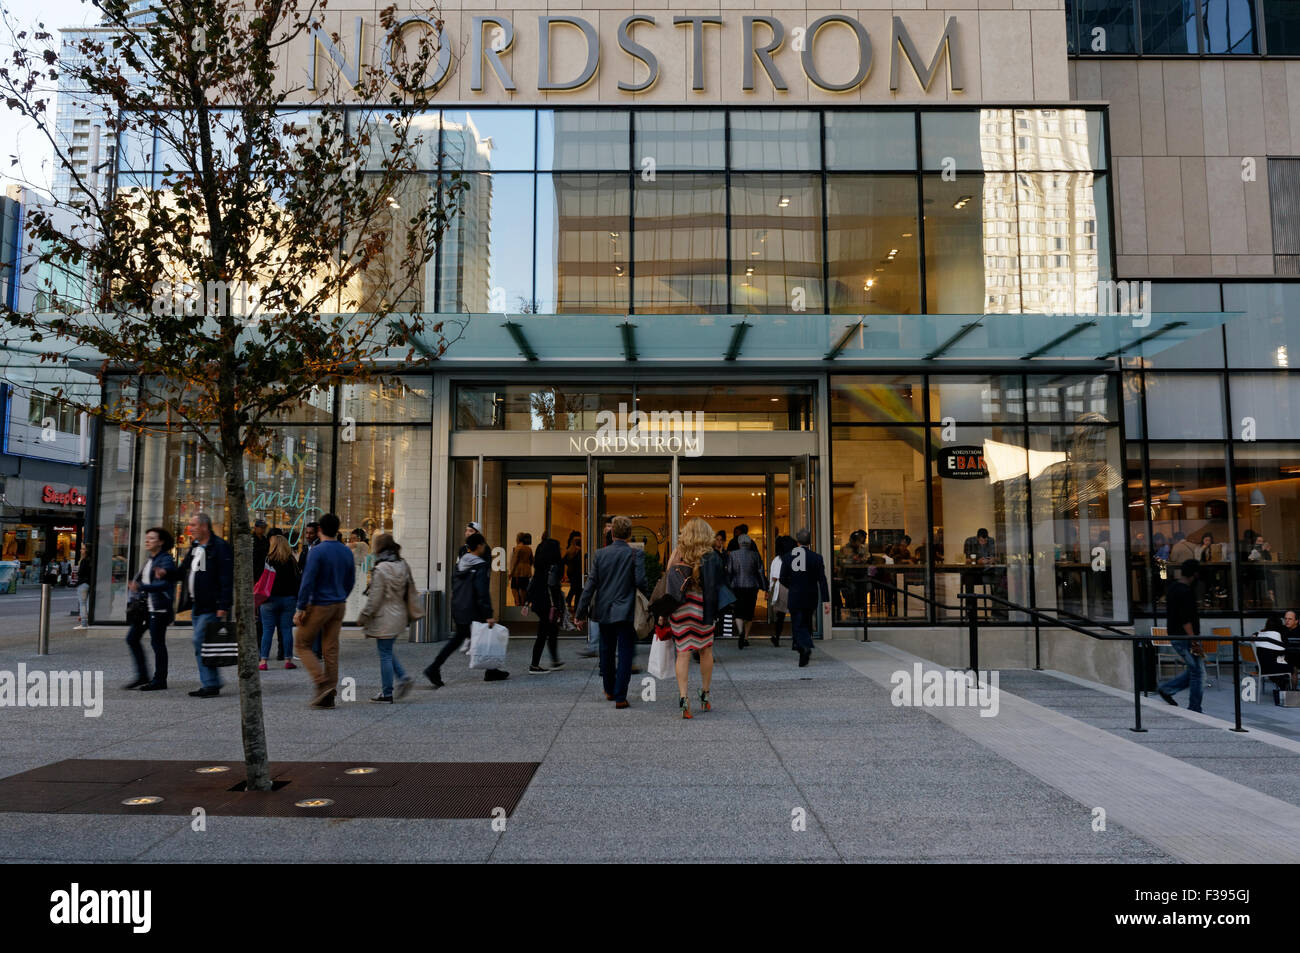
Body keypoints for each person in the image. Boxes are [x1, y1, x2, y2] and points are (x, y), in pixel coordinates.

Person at [576, 515, 649, 709]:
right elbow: (641, 582)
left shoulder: (600, 554)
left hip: (604, 610)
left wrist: (580, 613)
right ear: (629, 534)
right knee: (625, 653)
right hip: (625, 611)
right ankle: (620, 697)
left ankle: (608, 689)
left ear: (612, 533)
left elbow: (590, 585)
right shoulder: (636, 554)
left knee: (606, 651)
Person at [425, 532, 507, 686]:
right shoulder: (480, 565)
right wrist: (488, 614)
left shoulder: (461, 563)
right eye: (483, 544)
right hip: (473, 608)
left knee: (461, 638)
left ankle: (491, 670)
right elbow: (482, 591)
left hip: (459, 605)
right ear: (479, 546)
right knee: (486, 635)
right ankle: (434, 668)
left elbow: (454, 584)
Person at [663, 518, 726, 719]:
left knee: (683, 652)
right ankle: (705, 695)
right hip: (702, 607)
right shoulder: (711, 555)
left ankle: (684, 698)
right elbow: (718, 585)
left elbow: (668, 580)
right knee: (706, 650)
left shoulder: (678, 552)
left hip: (680, 608)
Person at [293, 513, 355, 709]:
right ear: (337, 530)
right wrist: (341, 594)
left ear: (319, 529)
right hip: (339, 604)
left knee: (302, 644)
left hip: (320, 604)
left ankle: (321, 681)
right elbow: (350, 579)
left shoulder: (317, 551)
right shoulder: (346, 551)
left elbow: (308, 581)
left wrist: (301, 607)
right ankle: (328, 694)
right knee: (330, 649)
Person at [170, 512, 233, 698]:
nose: (190, 528)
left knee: (199, 640)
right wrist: (166, 573)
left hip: (211, 605)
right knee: (203, 644)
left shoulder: (219, 547)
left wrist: (223, 604)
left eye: (194, 525)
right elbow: (187, 571)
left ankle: (211, 683)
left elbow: (225, 577)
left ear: (205, 527)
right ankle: (211, 683)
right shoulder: (197, 547)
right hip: (198, 604)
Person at [356, 533, 416, 702]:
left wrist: (364, 615)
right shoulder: (402, 564)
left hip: (385, 616)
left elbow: (375, 598)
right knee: (387, 651)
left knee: (385, 654)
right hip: (399, 614)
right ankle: (403, 678)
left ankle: (388, 691)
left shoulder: (381, 568)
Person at [124, 527, 176, 691]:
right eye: (147, 538)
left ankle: (160, 679)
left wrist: (141, 587)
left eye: (152, 538)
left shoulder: (165, 559)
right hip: (146, 608)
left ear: (161, 542)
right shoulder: (150, 560)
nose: (147, 540)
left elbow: (165, 583)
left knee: (157, 643)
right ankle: (142, 676)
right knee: (132, 638)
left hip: (159, 608)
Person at [1157, 559, 1205, 712]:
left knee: (1195, 670)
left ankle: (1167, 689)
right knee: (1198, 672)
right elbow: (1185, 619)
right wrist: (1194, 640)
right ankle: (1195, 707)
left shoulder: (1173, 588)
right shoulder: (1185, 591)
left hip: (1176, 635)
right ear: (1195, 574)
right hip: (1185, 637)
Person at [780, 528, 830, 668]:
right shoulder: (816, 557)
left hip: (795, 594)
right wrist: (826, 600)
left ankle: (803, 647)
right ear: (810, 542)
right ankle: (804, 645)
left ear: (797, 542)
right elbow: (822, 580)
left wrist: (792, 586)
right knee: (807, 621)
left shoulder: (788, 556)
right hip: (811, 595)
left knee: (798, 623)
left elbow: (782, 578)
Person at [523, 532, 564, 673]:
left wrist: (526, 602)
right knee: (543, 632)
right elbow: (553, 586)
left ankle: (555, 661)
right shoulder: (553, 568)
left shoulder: (539, 568)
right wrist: (558, 605)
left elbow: (533, 584)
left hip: (539, 602)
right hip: (548, 604)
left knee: (551, 630)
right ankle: (534, 665)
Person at [258, 534, 300, 670]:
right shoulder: (291, 561)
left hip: (269, 600)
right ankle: (288, 659)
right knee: (286, 630)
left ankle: (263, 661)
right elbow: (297, 581)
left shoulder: (268, 560)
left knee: (267, 631)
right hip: (288, 599)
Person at [725, 533, 764, 648]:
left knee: (738, 611)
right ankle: (746, 637)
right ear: (750, 543)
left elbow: (730, 571)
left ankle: (740, 632)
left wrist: (727, 585)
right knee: (749, 613)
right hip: (752, 586)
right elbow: (760, 572)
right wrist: (764, 586)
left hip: (737, 586)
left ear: (738, 543)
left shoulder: (733, 554)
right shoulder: (755, 555)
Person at [768, 534, 796, 647]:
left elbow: (773, 577)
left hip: (782, 587)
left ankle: (777, 637)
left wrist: (769, 589)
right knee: (795, 615)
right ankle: (796, 639)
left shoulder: (777, 559)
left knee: (780, 616)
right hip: (795, 587)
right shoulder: (795, 558)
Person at [345, 528, 371, 620]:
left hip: (358, 572)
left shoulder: (363, 545)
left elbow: (348, 546)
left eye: (354, 538)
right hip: (351, 572)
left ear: (360, 538)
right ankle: (351, 616)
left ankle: (356, 617)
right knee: (351, 597)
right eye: (351, 538)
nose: (352, 540)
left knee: (357, 595)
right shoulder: (355, 547)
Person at [509, 532, 534, 607]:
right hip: (526, 572)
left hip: (517, 572)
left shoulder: (517, 548)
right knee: (524, 589)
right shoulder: (529, 549)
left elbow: (514, 561)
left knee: (514, 588)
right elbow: (532, 561)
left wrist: (511, 572)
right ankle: (523, 604)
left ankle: (518, 603)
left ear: (518, 539)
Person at [563, 531, 584, 612]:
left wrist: (569, 564)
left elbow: (564, 561)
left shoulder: (569, 550)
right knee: (577, 589)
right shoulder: (578, 551)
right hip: (577, 572)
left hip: (570, 571)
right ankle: (574, 605)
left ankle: (568, 600)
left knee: (573, 587)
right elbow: (579, 563)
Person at [74, 545, 93, 629]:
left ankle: (84, 623)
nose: (81, 550)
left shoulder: (84, 560)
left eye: (83, 549)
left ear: (86, 551)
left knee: (82, 604)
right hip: (89, 583)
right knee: (88, 603)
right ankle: (89, 621)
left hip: (82, 583)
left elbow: (80, 573)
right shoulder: (92, 560)